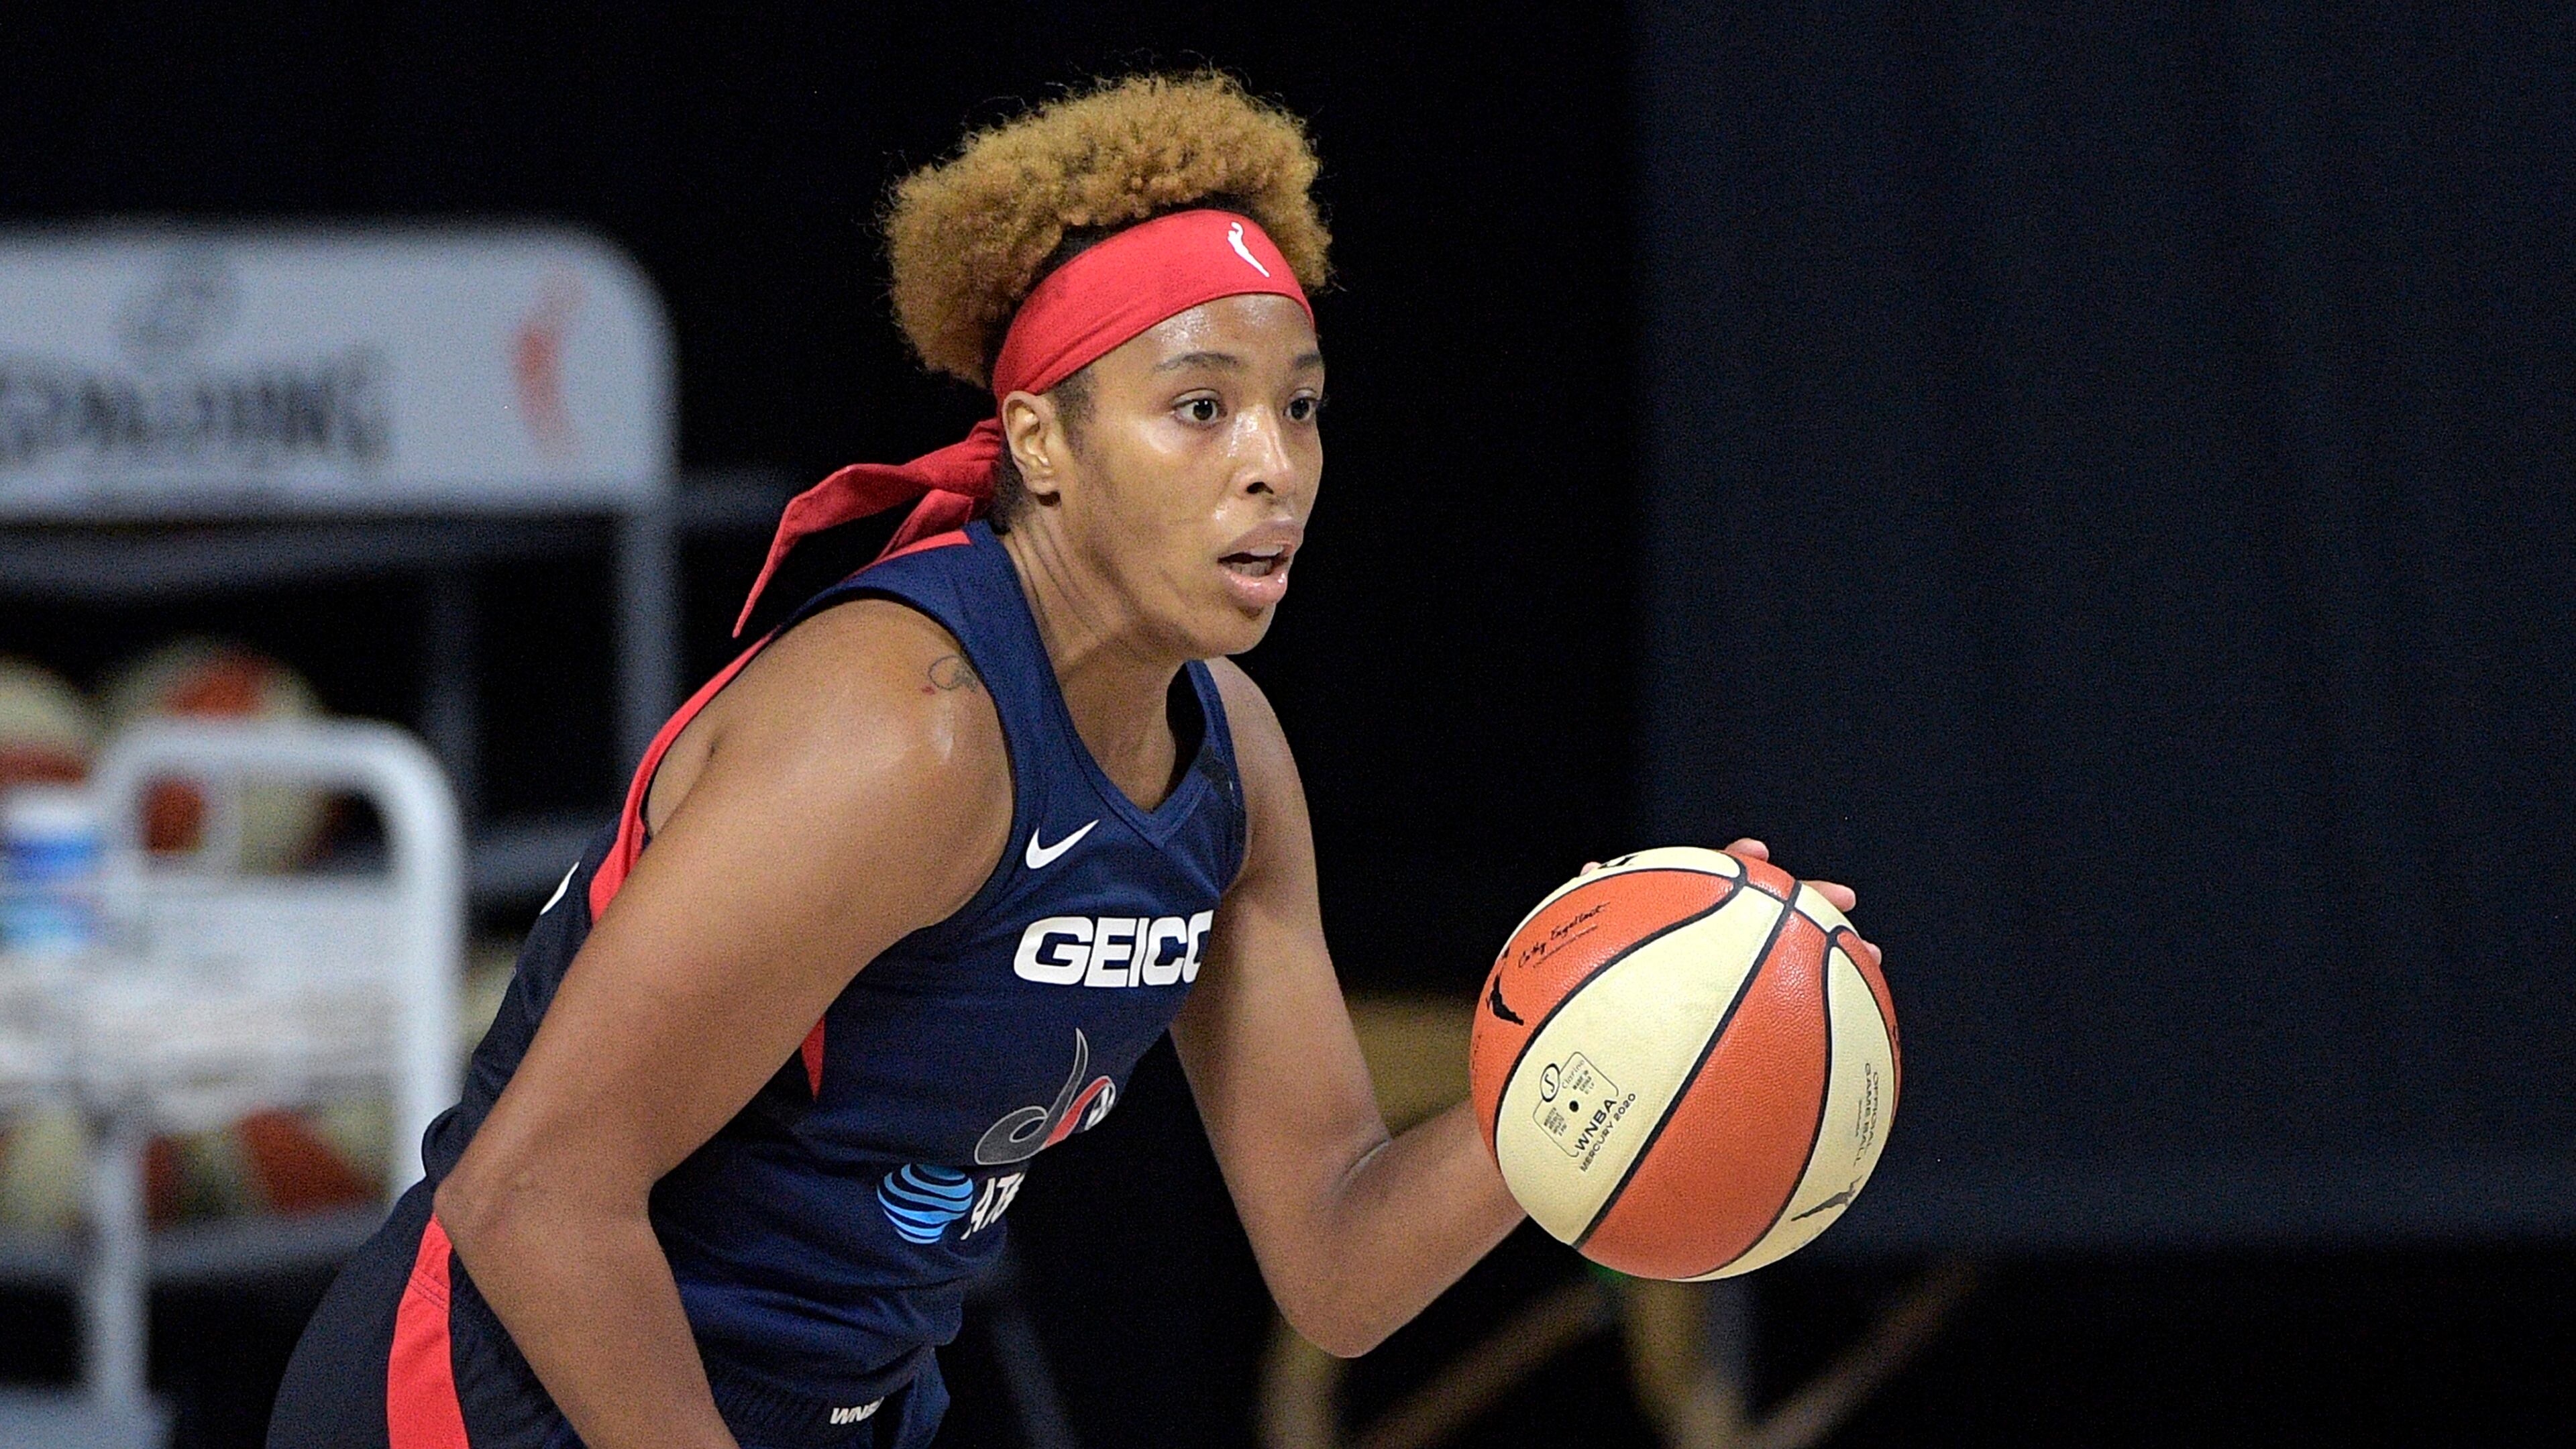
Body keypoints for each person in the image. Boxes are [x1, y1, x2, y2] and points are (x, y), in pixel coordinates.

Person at [268, 72, 1870, 1449]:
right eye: (1199, 408)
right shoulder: (909, 735)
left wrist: (1618, 1060)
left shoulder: (1229, 757)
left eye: (1299, 409)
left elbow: (1335, 1262)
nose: (1272, 466)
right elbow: (533, 1195)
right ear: (1041, 441)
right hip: (502, 1397)